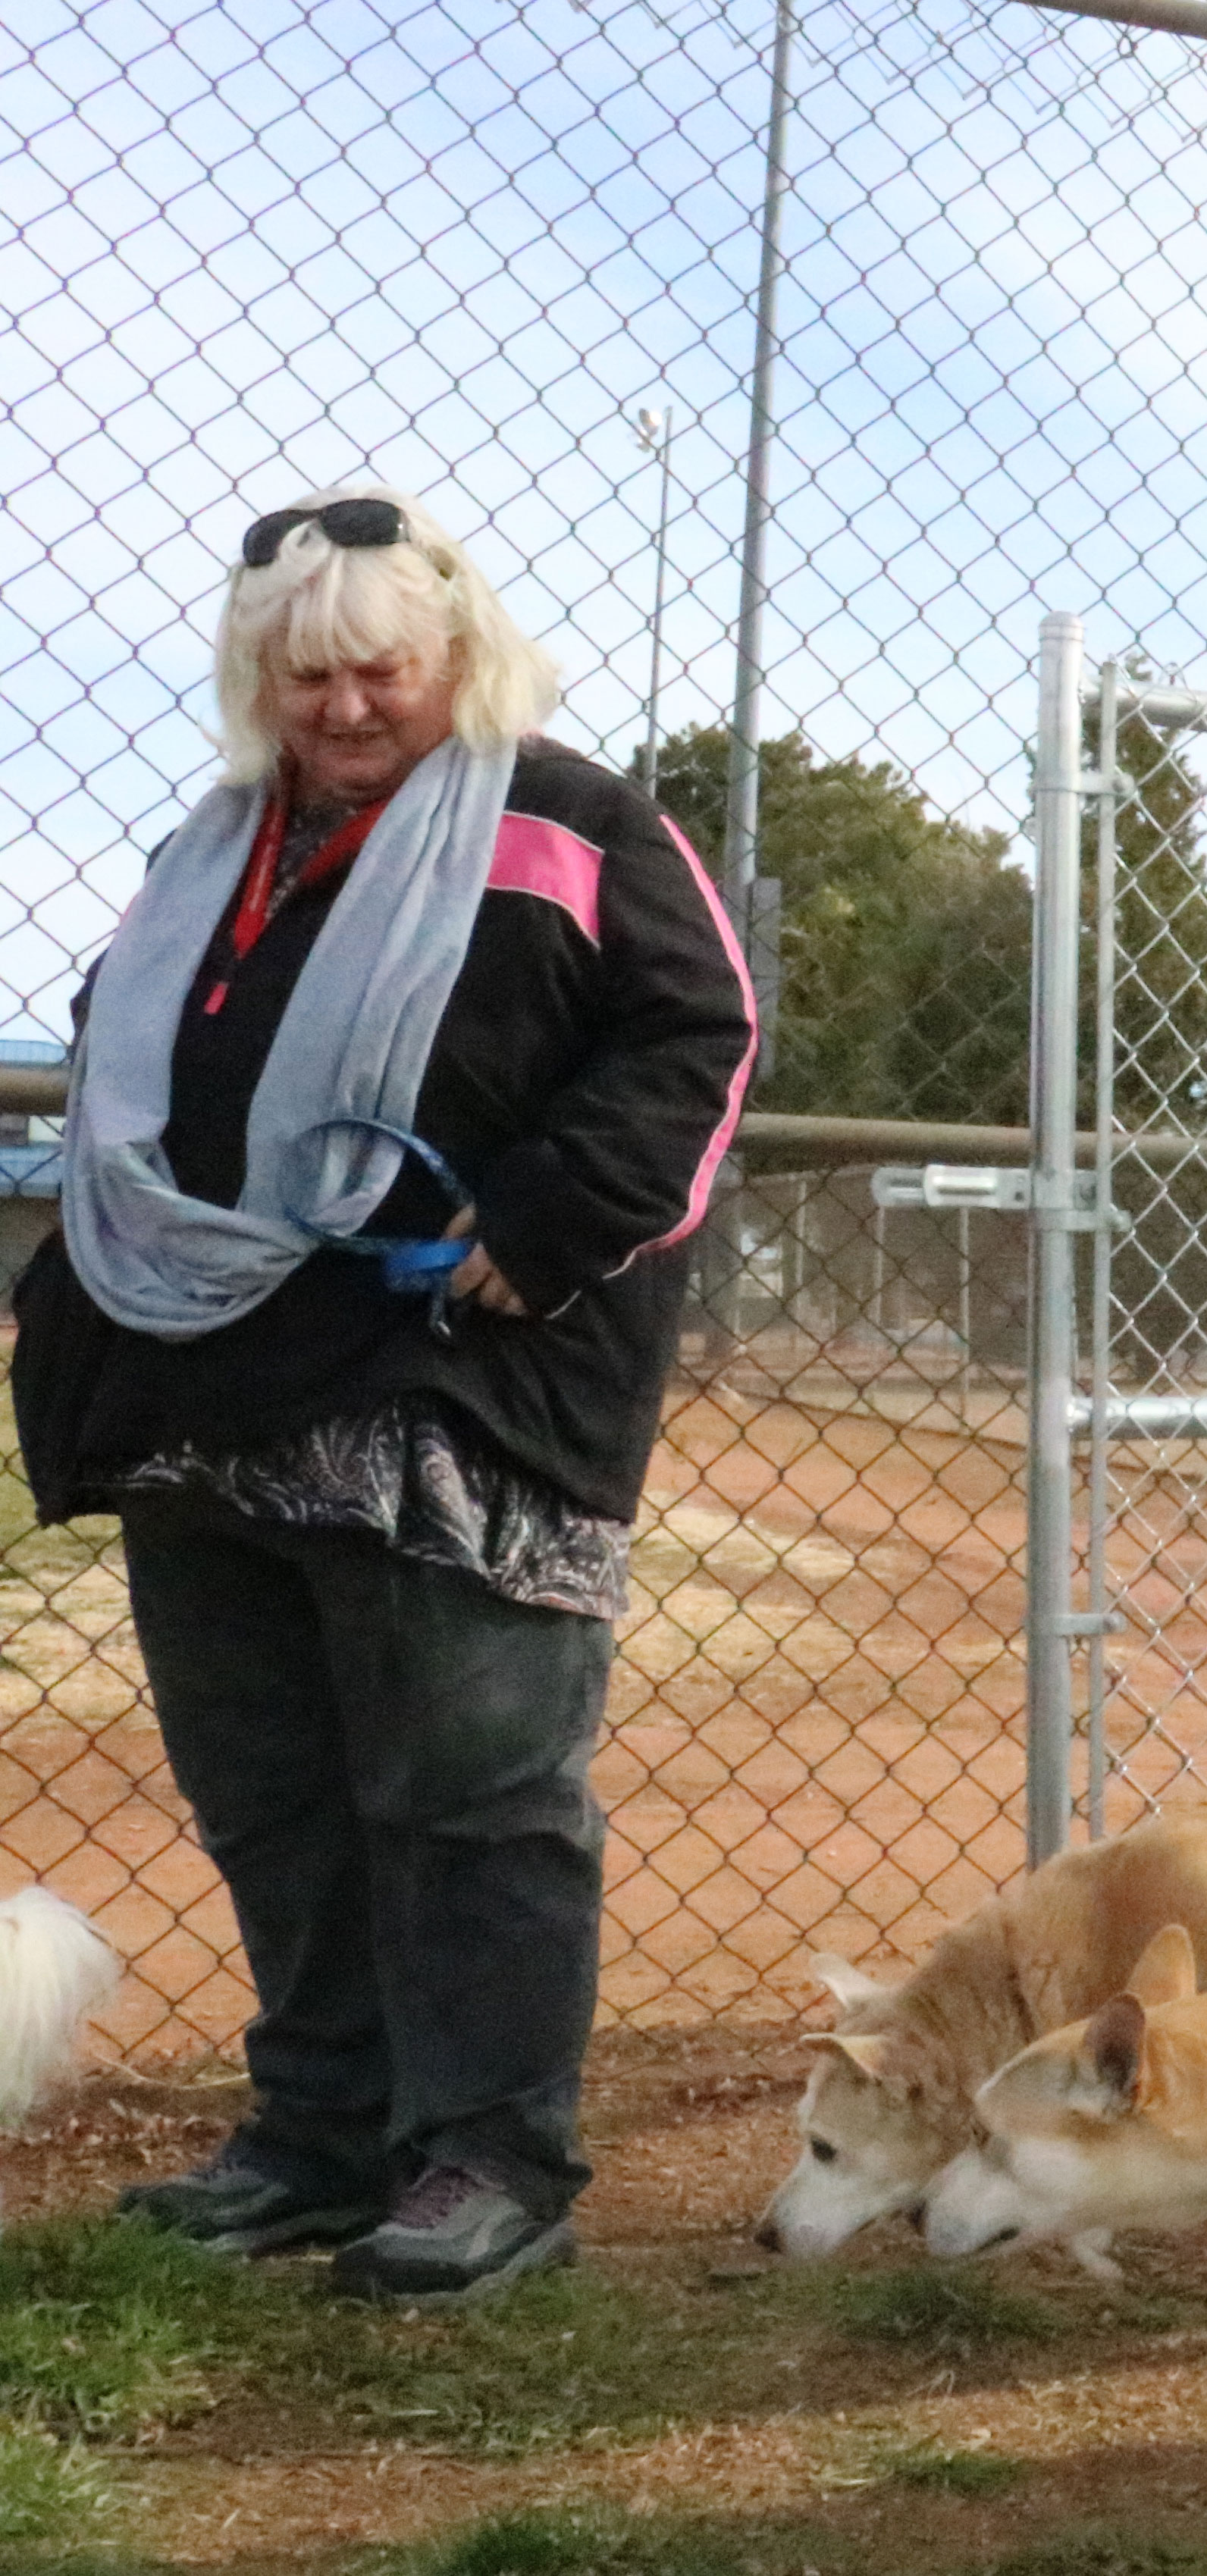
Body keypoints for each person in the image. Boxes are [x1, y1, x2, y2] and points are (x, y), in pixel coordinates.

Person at [11, 487, 758, 2299]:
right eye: (306, 676)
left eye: (380, 673)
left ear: (458, 658)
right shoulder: (213, 853)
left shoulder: (566, 818)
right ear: (257, 679)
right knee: (273, 1788)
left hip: (454, 1390)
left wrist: (549, 1210)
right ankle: (323, 2130)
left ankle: (490, 2155)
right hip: (206, 1385)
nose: (344, 710)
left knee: (471, 1790)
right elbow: (125, 1064)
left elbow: (702, 1030)